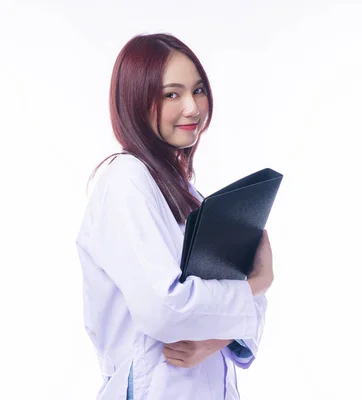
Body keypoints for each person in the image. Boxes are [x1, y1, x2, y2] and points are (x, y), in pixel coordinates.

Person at [75, 33, 274, 400]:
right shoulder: (125, 180)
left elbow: (251, 315)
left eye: (198, 90)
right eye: (172, 94)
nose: (193, 108)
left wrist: (213, 340)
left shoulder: (189, 194)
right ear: (136, 100)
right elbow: (164, 309)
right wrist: (256, 283)